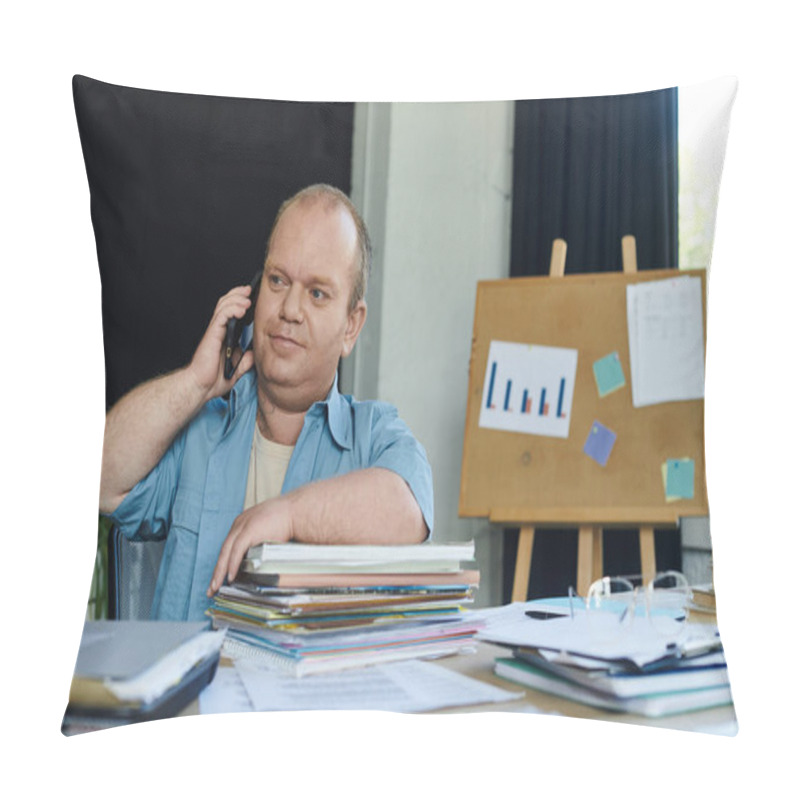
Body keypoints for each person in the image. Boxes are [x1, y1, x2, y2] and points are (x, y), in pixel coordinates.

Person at [99, 184, 433, 621]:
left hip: (306, 690)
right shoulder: (197, 431)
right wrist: (195, 384)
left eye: (317, 293)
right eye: (278, 281)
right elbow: (100, 477)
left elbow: (408, 512)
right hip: (193, 687)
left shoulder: (372, 439)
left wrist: (289, 517)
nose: (290, 309)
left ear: (351, 326)